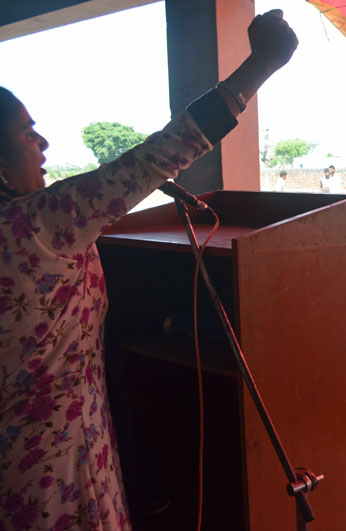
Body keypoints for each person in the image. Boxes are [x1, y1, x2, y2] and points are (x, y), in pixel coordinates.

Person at [0, 10, 297, 529]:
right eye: (28, 133)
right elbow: (160, 154)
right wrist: (262, 65)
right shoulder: (34, 225)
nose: (44, 144)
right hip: (60, 461)